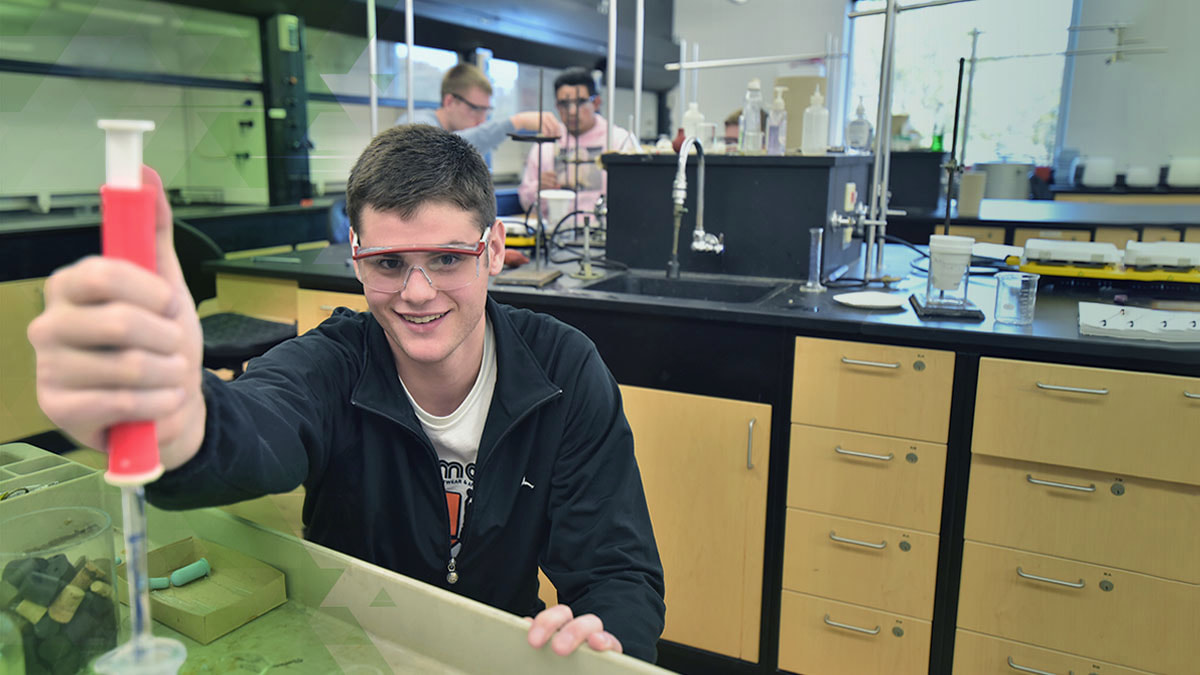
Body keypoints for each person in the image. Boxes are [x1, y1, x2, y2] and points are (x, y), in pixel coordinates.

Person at [27, 124, 666, 661]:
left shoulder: (562, 369)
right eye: (388, 264)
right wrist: (176, 415)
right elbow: (251, 425)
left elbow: (617, 572)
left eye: (447, 258)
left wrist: (606, 645)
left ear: (493, 251)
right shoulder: (332, 365)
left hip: (495, 651)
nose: (417, 292)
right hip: (343, 647)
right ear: (356, 259)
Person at [517, 67, 636, 221]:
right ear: (556, 106)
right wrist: (538, 188)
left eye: (580, 102)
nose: (572, 111)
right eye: (564, 103)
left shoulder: (620, 141)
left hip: (604, 235)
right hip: (555, 236)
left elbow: (635, 198)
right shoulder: (545, 144)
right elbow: (525, 203)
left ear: (596, 103)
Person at [402, 63, 559, 156]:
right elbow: (444, 150)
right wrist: (516, 122)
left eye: (486, 111)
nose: (482, 120)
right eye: (475, 109)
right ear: (449, 101)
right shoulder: (414, 124)